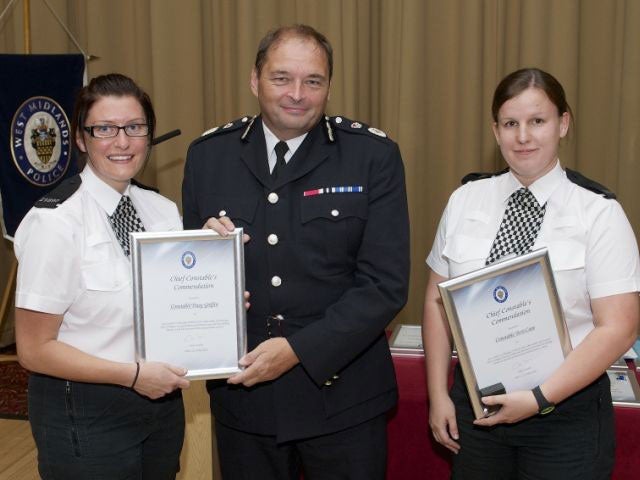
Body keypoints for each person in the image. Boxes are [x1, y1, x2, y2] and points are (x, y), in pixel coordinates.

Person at [182, 24, 410, 479]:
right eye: (281, 78)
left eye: (313, 81)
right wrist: (203, 256)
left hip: (343, 400)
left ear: (329, 85)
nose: (297, 94)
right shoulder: (209, 156)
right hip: (245, 401)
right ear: (255, 80)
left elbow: (384, 284)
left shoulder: (371, 156)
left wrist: (299, 350)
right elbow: (192, 278)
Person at [422, 67, 640, 479]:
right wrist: (437, 395)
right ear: (495, 129)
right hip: (477, 409)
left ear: (563, 123)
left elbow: (620, 327)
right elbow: (436, 302)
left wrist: (539, 397)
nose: (522, 136)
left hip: (565, 415)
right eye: (510, 123)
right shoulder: (466, 200)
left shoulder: (599, 212)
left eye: (537, 121)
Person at [14, 73, 190, 479]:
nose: (122, 142)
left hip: (160, 406)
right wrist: (131, 377)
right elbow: (34, 349)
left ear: (149, 134)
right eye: (105, 129)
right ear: (81, 138)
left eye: (134, 127)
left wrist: (222, 287)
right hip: (84, 410)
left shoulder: (162, 211)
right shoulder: (55, 222)